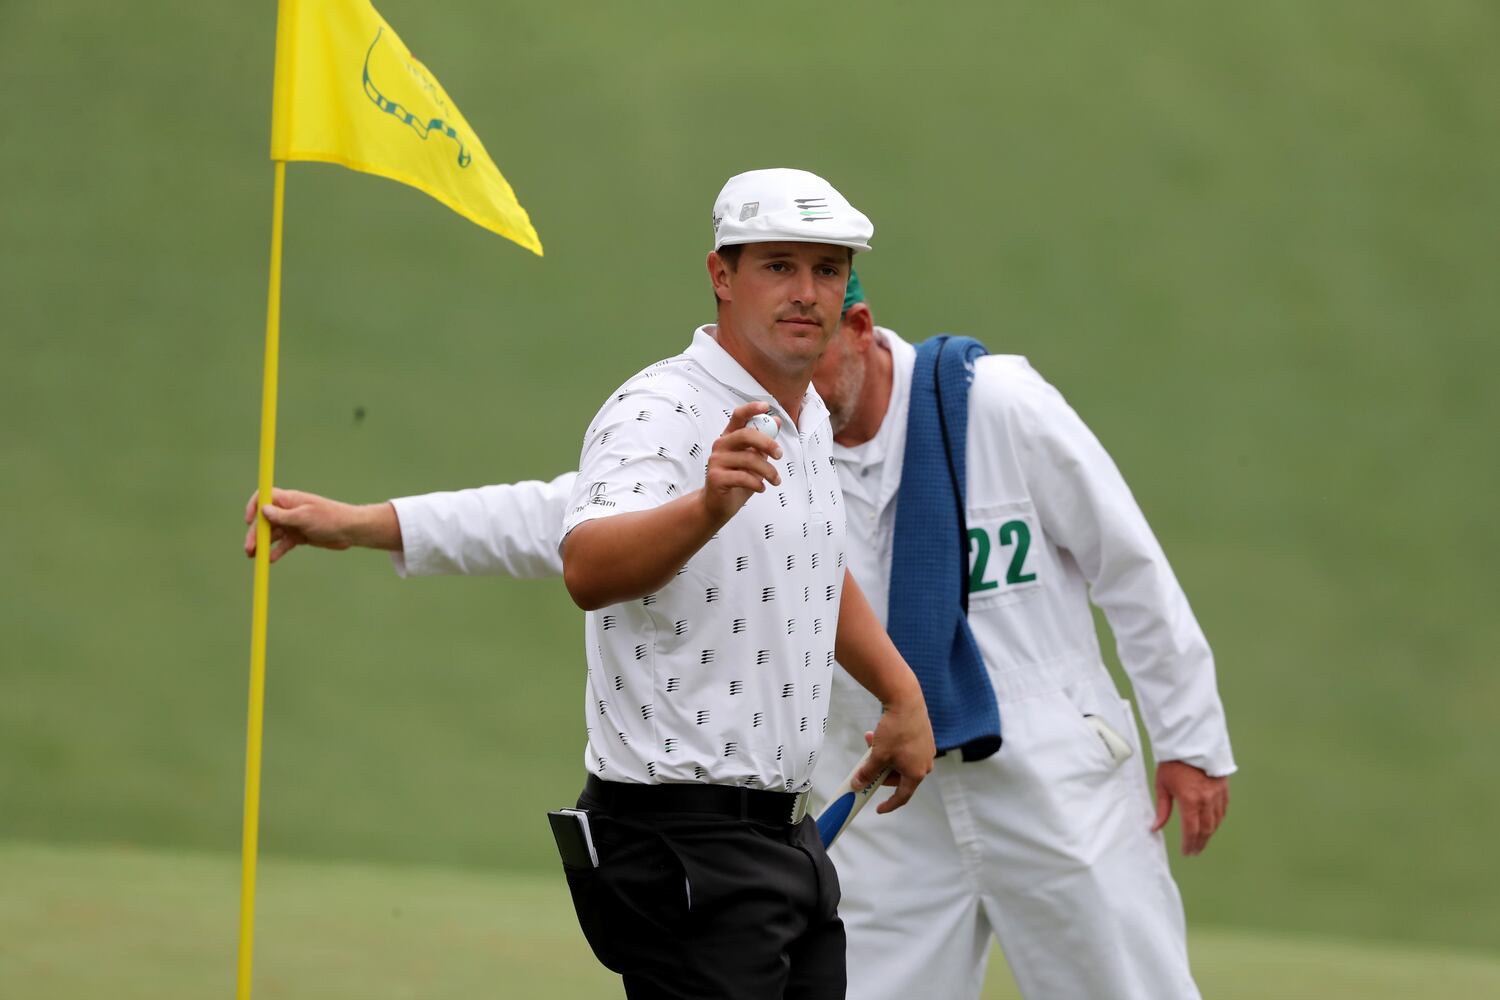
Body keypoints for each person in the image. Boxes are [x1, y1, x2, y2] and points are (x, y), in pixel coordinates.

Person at [247, 273, 1234, 999]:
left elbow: (1128, 562)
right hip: (885, 800)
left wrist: (1190, 736)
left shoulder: (996, 406)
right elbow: (560, 515)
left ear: (855, 321)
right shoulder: (765, 440)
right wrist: (365, 521)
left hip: (1052, 780)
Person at [247, 168, 935, 999]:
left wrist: (901, 693)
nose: (806, 292)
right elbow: (586, 563)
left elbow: (812, 563)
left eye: (827, 270)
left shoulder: (805, 417)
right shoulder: (658, 408)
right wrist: (708, 507)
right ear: (722, 275)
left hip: (783, 846)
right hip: (680, 844)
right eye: (778, 265)